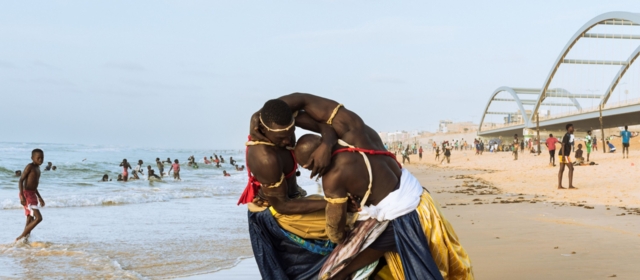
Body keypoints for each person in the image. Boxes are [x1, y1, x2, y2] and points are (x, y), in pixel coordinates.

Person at [295, 133, 473, 279]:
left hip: (399, 223)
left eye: (309, 167)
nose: (311, 173)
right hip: (421, 204)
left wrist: (342, 232)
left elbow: (335, 230)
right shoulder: (361, 141)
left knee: (336, 274)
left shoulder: (332, 178)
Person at [16, 149, 46, 242]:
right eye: (38, 158)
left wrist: (40, 197)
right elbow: (21, 180)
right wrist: (22, 196)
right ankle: (20, 237)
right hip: (27, 195)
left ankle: (25, 240)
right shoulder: (30, 166)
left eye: (42, 158)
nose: (40, 160)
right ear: (32, 158)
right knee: (39, 218)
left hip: (32, 194)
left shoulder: (38, 169)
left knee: (30, 219)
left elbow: (34, 186)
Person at [558, 124, 576, 189]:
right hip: (564, 154)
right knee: (571, 168)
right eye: (572, 127)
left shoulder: (570, 135)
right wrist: (563, 156)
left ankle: (559, 185)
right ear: (568, 128)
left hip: (564, 154)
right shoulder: (567, 135)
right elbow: (563, 145)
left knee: (562, 169)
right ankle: (570, 185)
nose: (573, 128)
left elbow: (569, 145)